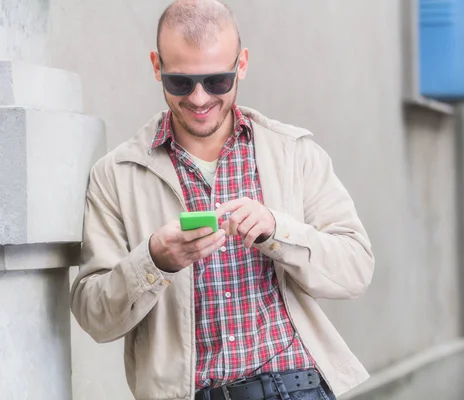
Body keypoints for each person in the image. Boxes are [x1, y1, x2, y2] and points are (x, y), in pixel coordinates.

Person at [70, 0, 374, 399]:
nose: (198, 99)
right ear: (156, 66)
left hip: (294, 386)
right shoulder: (116, 174)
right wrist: (154, 260)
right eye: (181, 82)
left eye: (216, 81)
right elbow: (94, 316)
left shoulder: (293, 152)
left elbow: (356, 268)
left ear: (241, 64)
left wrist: (276, 230)